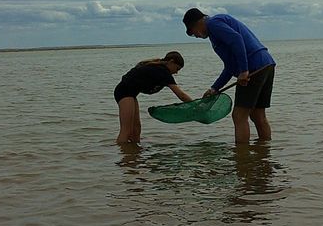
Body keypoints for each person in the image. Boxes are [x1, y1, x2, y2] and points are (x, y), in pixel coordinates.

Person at [183, 7, 276, 144]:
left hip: (253, 69)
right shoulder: (216, 29)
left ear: (198, 22)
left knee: (239, 116)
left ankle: (242, 160)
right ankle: (264, 155)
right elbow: (230, 67)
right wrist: (215, 88)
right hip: (266, 64)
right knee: (257, 115)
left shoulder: (213, 24)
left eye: (192, 32)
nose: (196, 36)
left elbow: (237, 39)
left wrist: (244, 70)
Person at [114, 51, 193, 144]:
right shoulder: (163, 71)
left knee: (136, 128)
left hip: (131, 94)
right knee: (126, 131)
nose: (176, 72)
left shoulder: (159, 69)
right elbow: (181, 95)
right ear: (171, 62)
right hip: (124, 92)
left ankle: (133, 154)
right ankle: (123, 153)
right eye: (177, 68)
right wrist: (195, 105)